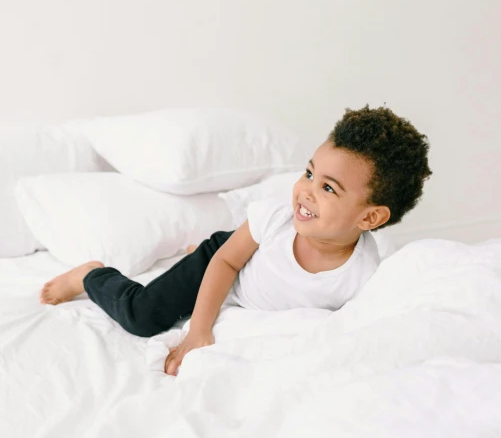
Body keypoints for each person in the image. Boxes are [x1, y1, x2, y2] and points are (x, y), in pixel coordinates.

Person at [40, 105, 432, 376]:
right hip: (225, 256)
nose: (306, 191)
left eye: (328, 187)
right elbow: (227, 263)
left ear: (370, 217)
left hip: (249, 265)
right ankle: (92, 276)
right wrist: (198, 330)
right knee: (143, 317)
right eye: (309, 173)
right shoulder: (275, 218)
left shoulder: (363, 274)